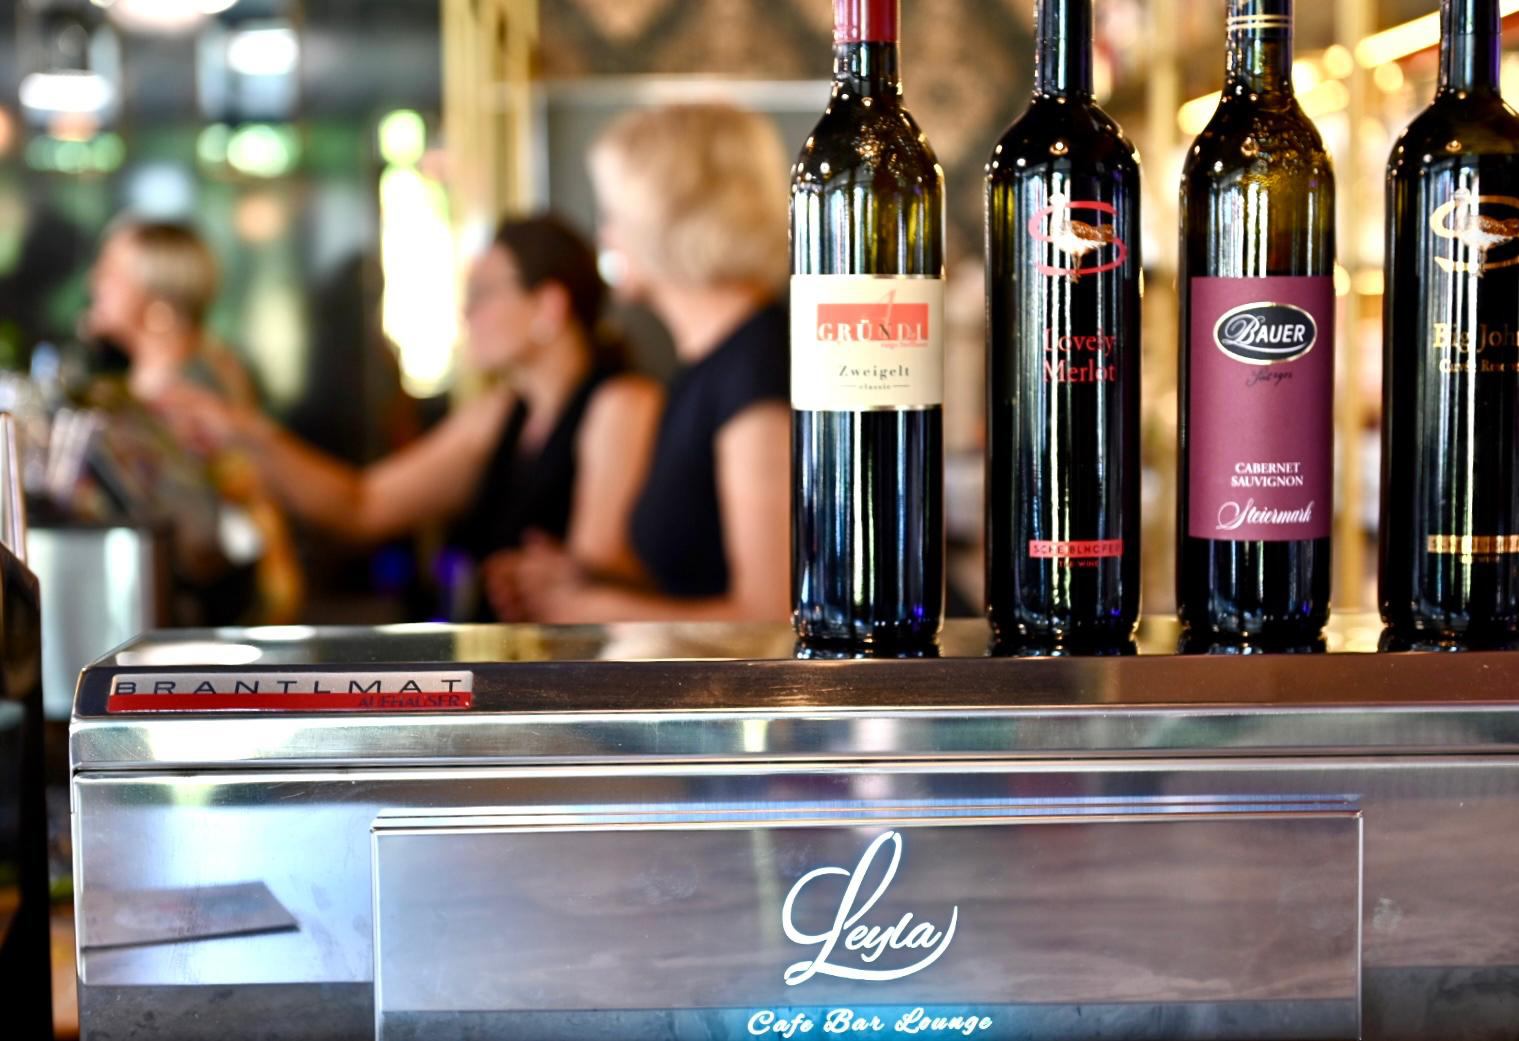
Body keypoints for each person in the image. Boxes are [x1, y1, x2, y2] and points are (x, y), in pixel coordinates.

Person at [162, 214, 662, 620]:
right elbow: (364, 505)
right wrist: (243, 433)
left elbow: (597, 582)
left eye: (483, 293)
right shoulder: (499, 413)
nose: (467, 313)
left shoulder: (620, 404)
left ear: (549, 306)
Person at [486, 103, 791, 624]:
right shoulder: (710, 364)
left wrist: (591, 608)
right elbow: (696, 578)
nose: (604, 235)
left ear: (669, 217)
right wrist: (584, 579)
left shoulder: (755, 369)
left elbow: (770, 615)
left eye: (615, 215)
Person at [81, 219, 302, 624]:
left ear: (159, 301)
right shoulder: (206, 368)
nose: (95, 281)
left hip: (208, 620)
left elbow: (195, 534)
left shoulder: (184, 398)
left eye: (111, 271)